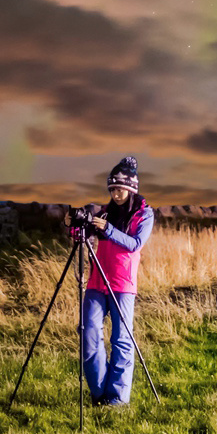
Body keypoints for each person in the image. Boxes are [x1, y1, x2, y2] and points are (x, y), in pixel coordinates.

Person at [76, 155, 154, 406]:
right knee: (88, 333)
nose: (116, 194)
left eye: (120, 189)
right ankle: (99, 393)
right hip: (97, 280)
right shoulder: (104, 212)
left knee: (121, 341)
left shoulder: (145, 213)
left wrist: (108, 230)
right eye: (112, 189)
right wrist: (76, 227)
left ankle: (117, 399)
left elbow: (136, 244)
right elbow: (85, 234)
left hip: (122, 283)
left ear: (131, 189)